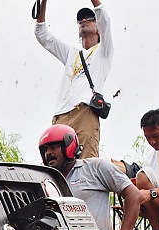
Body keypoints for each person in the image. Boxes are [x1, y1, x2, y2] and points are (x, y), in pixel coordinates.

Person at [38, 124, 140, 230]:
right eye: (45, 150)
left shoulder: (95, 168)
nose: (48, 153)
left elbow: (133, 195)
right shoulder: (46, 183)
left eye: (53, 147)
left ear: (68, 146)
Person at [34, 0, 112, 159]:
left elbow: (104, 16)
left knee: (85, 164)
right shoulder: (72, 53)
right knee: (56, 166)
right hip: (60, 115)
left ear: (98, 29)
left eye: (89, 19)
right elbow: (41, 34)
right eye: (80, 20)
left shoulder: (104, 51)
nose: (84, 21)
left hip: (84, 112)